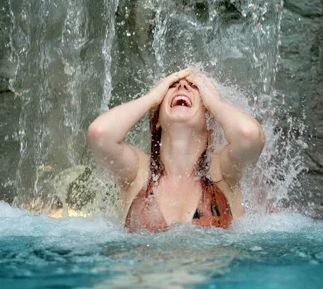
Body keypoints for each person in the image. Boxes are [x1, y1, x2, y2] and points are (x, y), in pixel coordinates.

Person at [87, 69, 265, 231]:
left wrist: (213, 101)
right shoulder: (139, 171)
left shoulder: (222, 172)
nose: (181, 85)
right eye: (172, 85)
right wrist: (152, 97)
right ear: (157, 121)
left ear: (210, 120)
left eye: (195, 87)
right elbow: (100, 134)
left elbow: (248, 134)